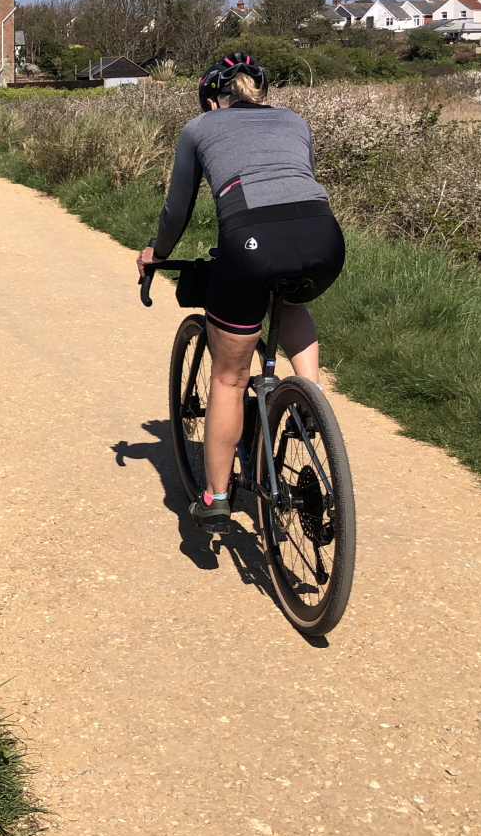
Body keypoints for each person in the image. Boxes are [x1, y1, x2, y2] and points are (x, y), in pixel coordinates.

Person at [136, 54, 345, 529]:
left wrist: (155, 251)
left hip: (250, 244)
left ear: (212, 100)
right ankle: (310, 399)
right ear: (262, 94)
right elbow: (294, 182)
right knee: (289, 298)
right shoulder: (295, 120)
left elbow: (176, 211)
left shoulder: (199, 129)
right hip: (325, 238)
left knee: (230, 378)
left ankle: (215, 497)